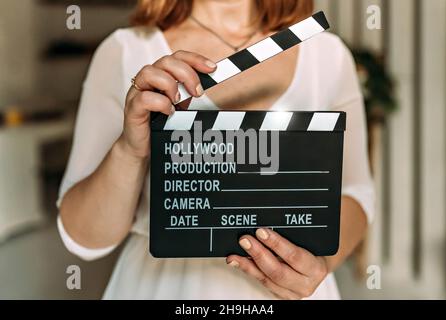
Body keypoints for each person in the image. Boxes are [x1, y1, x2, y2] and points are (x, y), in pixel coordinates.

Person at [57, 0, 374, 299]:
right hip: (167, 287)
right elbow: (83, 239)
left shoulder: (326, 55)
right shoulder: (125, 50)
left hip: (293, 292)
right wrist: (129, 150)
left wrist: (317, 267)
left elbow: (356, 192)